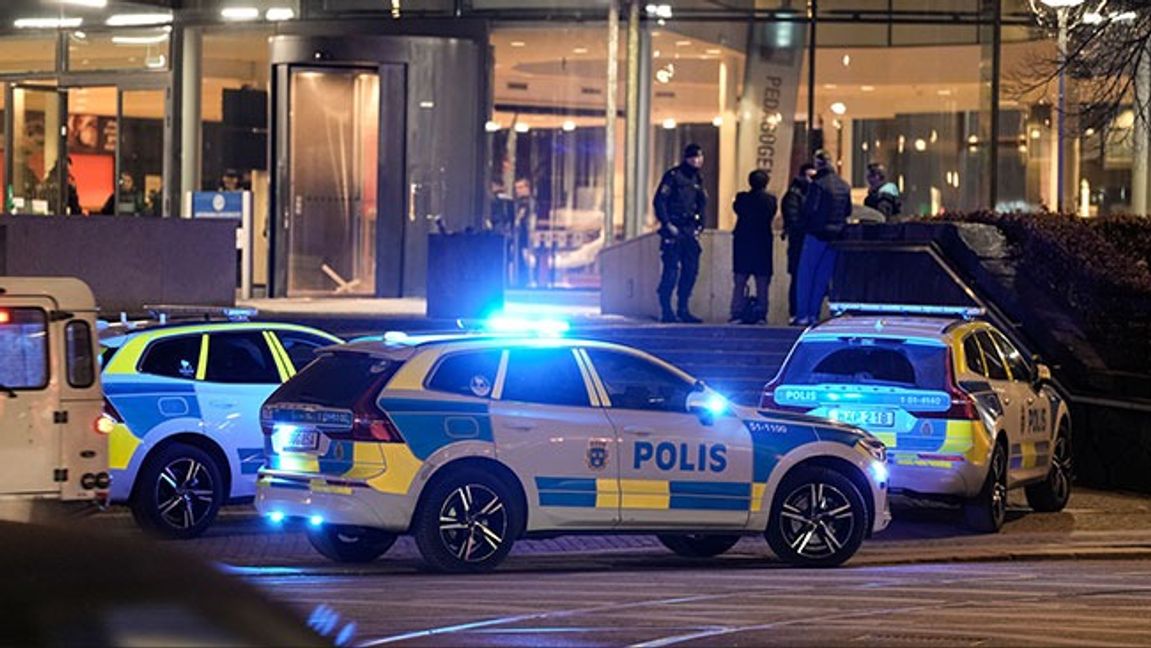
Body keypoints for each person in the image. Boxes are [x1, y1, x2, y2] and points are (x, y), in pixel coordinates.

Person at [794, 150, 852, 326]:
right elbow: (848, 211)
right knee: (822, 278)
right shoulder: (844, 185)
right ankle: (814, 314)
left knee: (806, 276)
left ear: (818, 164)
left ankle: (803, 314)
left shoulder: (818, 185)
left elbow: (809, 210)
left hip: (816, 234)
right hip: (835, 237)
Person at [653, 143, 708, 323]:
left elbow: (702, 203)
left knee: (690, 270)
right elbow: (660, 201)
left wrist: (700, 225)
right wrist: (667, 223)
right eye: (694, 157)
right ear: (687, 158)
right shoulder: (673, 176)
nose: (697, 160)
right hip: (674, 229)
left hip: (689, 229)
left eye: (699, 157)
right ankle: (666, 309)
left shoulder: (697, 179)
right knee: (671, 271)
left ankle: (683, 308)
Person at [729, 170, 777, 324]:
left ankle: (736, 311)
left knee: (740, 280)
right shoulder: (770, 200)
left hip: (743, 242)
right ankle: (762, 312)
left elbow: (737, 209)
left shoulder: (742, 198)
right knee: (762, 281)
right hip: (762, 243)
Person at [781, 163, 815, 324]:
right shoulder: (794, 195)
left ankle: (805, 312)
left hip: (806, 241)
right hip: (798, 243)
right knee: (797, 277)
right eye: (810, 176)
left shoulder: (813, 193)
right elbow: (792, 219)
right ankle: (795, 311)